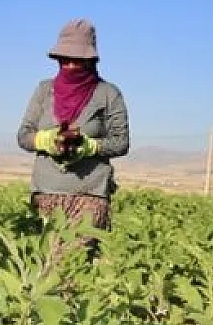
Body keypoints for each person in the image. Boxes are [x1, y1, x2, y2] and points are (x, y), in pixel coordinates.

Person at [15, 19, 131, 258]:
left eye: (76, 60)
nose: (69, 65)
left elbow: (121, 142)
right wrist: (48, 140)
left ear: (90, 61)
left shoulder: (108, 94)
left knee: (73, 264)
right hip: (46, 193)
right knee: (45, 268)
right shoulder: (44, 90)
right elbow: (23, 135)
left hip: (89, 194)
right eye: (64, 60)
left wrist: (89, 146)